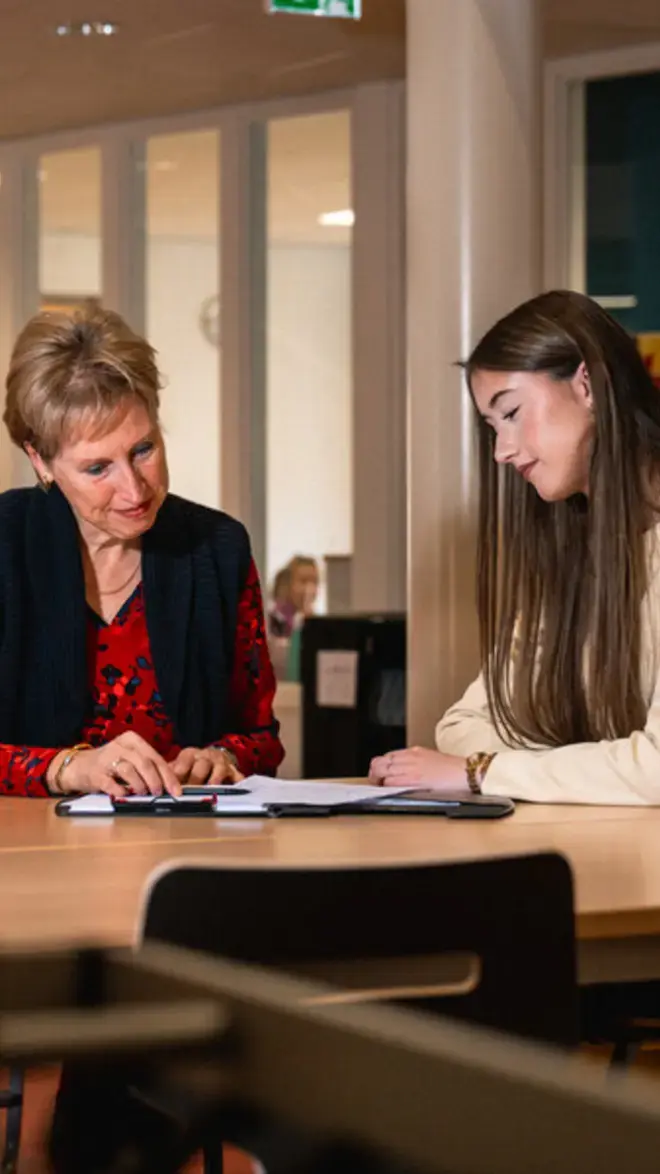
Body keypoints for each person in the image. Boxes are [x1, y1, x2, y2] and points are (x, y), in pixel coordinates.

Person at [370, 289, 660, 805]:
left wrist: (482, 772)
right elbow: (465, 723)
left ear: (588, 385)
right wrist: (590, 767)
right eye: (491, 427)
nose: (502, 450)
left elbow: (654, 768)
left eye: (511, 413)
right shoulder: (574, 552)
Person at [0, 305, 283, 798]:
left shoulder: (218, 548)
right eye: (97, 469)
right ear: (39, 461)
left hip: (182, 853)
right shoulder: (5, 542)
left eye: (144, 450)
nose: (135, 490)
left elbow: (261, 738)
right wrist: (68, 769)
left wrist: (222, 757)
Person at [268, 555, 319, 640]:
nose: (310, 588)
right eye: (304, 581)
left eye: (315, 582)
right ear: (288, 584)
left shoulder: (307, 617)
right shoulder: (276, 618)